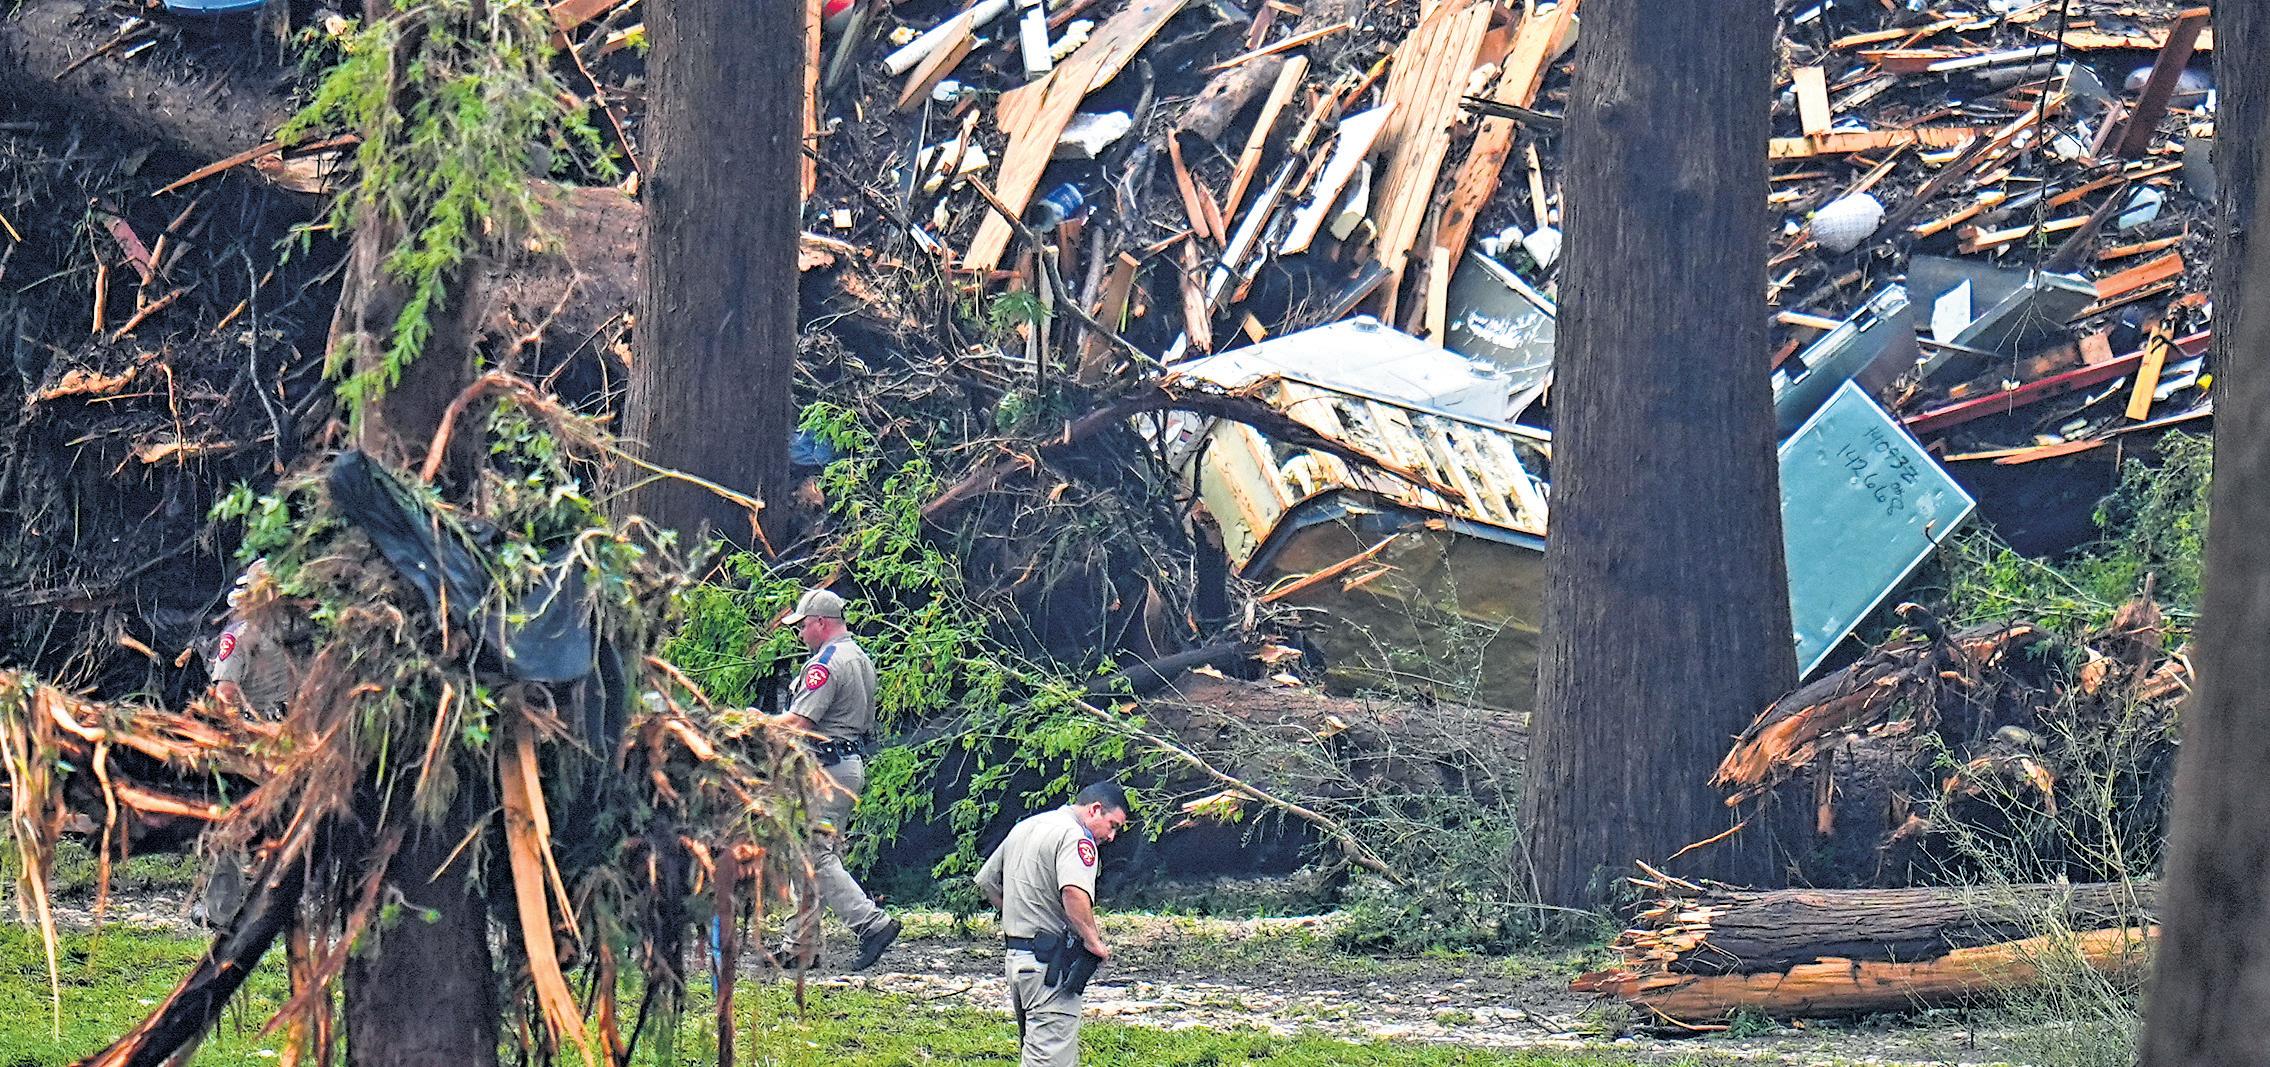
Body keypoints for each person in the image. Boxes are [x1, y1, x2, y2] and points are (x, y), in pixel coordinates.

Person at [776, 586, 901, 971]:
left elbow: (798, 723)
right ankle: (801, 944)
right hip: (844, 769)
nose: (799, 634)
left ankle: (872, 924)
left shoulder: (825, 664)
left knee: (814, 854)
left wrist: (750, 723)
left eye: (802, 626)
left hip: (824, 774)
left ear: (820, 623)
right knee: (811, 854)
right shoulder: (859, 657)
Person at [976, 781, 1132, 1067]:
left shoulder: (1026, 826)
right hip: (1050, 968)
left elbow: (987, 881)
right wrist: (1093, 941)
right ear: (1095, 809)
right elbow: (1073, 892)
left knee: (1036, 1055)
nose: (1111, 836)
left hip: (1017, 960)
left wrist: (1018, 913)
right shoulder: (1077, 838)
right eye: (1112, 825)